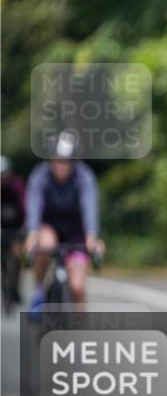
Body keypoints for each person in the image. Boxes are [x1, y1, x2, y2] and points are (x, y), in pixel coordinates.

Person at [24, 132, 105, 310]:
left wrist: (92, 236)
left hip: (76, 231)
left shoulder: (84, 176)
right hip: (49, 227)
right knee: (44, 244)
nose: (61, 166)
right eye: (57, 161)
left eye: (66, 162)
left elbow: (89, 205)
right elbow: (34, 204)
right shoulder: (40, 175)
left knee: (77, 287)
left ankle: (78, 334)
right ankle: (39, 289)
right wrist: (32, 233)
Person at [1, 155, 26, 311]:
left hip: (16, 227)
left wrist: (24, 228)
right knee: (3, 263)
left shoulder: (16, 185)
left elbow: (25, 207)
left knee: (16, 260)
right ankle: (5, 293)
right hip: (2, 227)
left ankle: (15, 288)